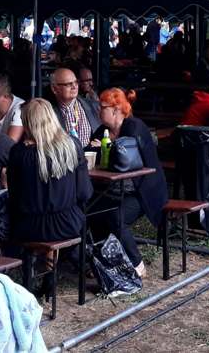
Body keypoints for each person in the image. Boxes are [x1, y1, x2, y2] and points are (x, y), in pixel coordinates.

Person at [89, 89, 168, 277]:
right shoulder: (102, 130)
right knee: (92, 212)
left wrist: (105, 148)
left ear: (116, 110)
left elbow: (126, 159)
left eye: (102, 107)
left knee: (115, 216)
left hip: (142, 192)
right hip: (113, 190)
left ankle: (137, 264)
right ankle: (105, 263)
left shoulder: (134, 127)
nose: (99, 111)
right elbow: (90, 150)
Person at [7, 98, 91, 244]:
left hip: (30, 227)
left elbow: (15, 198)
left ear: (27, 123)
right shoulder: (73, 145)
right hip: (68, 223)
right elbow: (84, 193)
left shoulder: (18, 153)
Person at [51, 67, 100, 148]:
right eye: (68, 84)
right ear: (54, 89)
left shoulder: (94, 106)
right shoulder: (48, 112)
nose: (74, 86)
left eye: (76, 82)